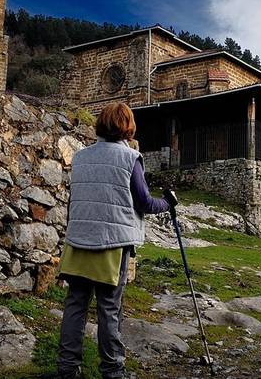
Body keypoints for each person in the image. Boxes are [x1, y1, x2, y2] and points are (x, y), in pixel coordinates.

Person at [55, 103, 176, 379]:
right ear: (127, 126)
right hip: (111, 245)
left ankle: (67, 369)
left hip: (78, 240)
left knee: (75, 304)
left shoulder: (81, 157)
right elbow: (144, 202)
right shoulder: (129, 157)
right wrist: (167, 203)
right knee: (109, 309)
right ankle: (112, 370)